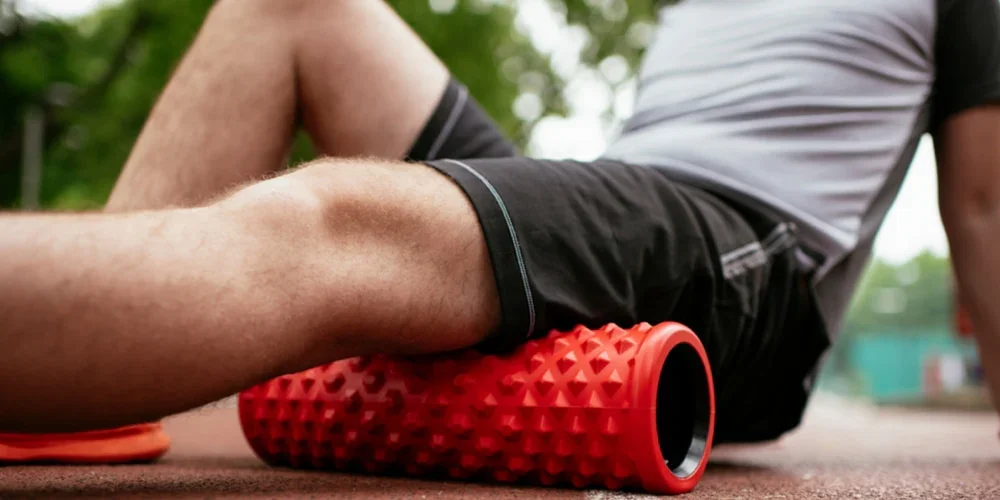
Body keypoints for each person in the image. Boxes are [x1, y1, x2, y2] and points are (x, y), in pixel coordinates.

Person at [1, 0, 998, 460]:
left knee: (346, 223)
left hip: (746, 252)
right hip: (630, 192)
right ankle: (93, 379)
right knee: (288, 11)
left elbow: (984, 205)